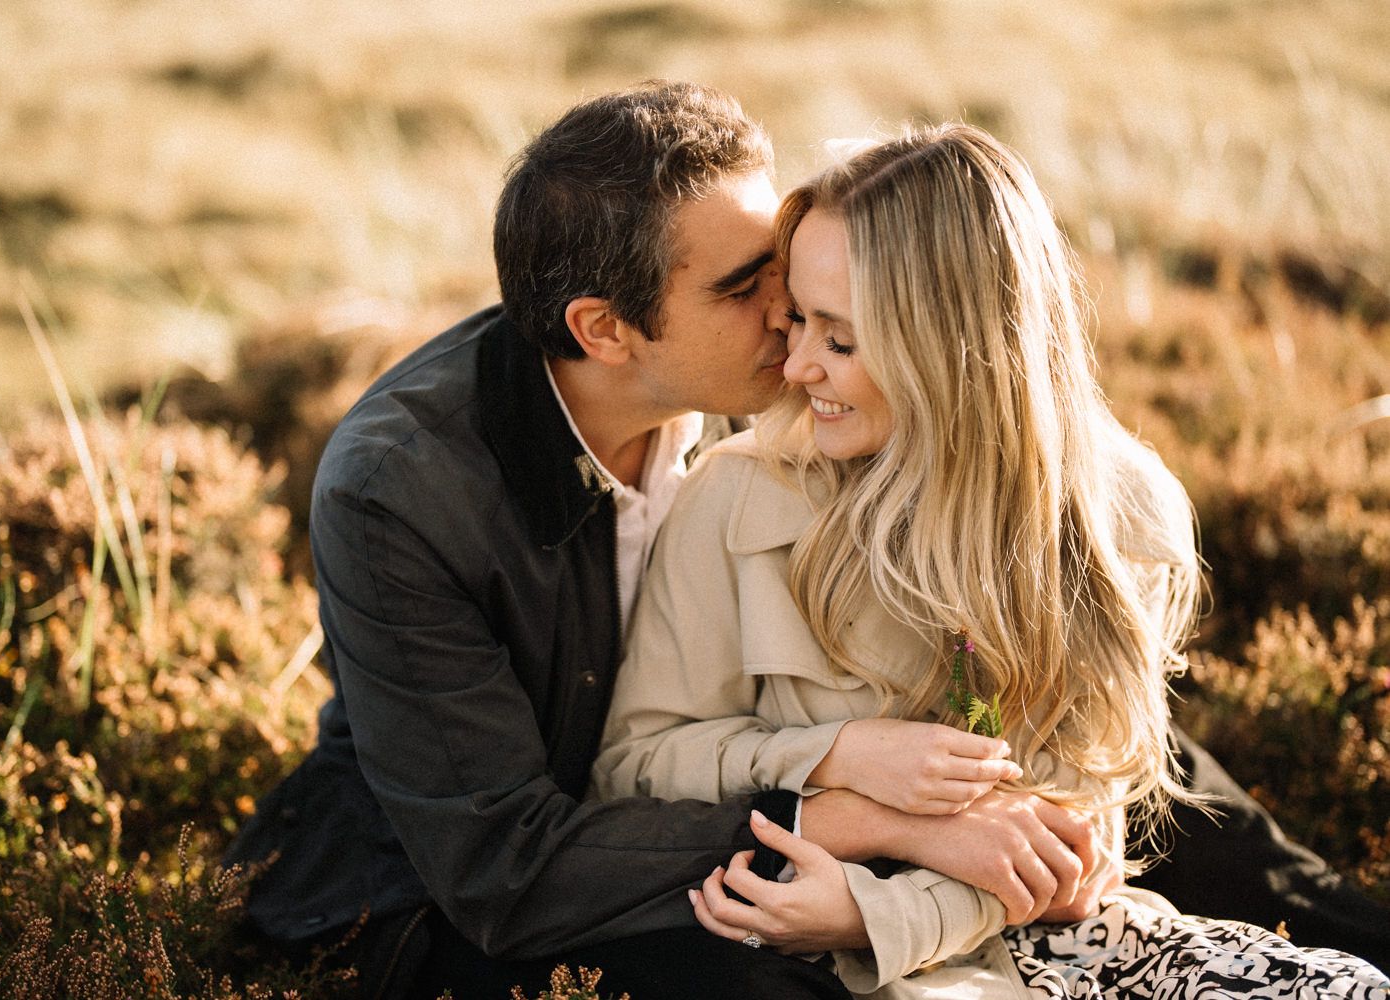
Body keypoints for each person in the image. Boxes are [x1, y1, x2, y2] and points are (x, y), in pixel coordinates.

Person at [224, 83, 1385, 998]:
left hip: (817, 768)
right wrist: (872, 811)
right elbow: (512, 864)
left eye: (799, 282)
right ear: (606, 329)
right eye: (749, 286)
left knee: (1204, 821)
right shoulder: (402, 490)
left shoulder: (781, 374)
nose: (790, 314)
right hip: (536, 852)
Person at [591, 123, 1390, 996]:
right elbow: (633, 767)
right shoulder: (734, 500)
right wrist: (840, 758)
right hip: (807, 953)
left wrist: (884, 912)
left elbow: (1079, 835)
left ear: (953, 348)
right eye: (798, 321)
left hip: (1049, 943)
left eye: (841, 339)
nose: (796, 364)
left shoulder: (1123, 512)